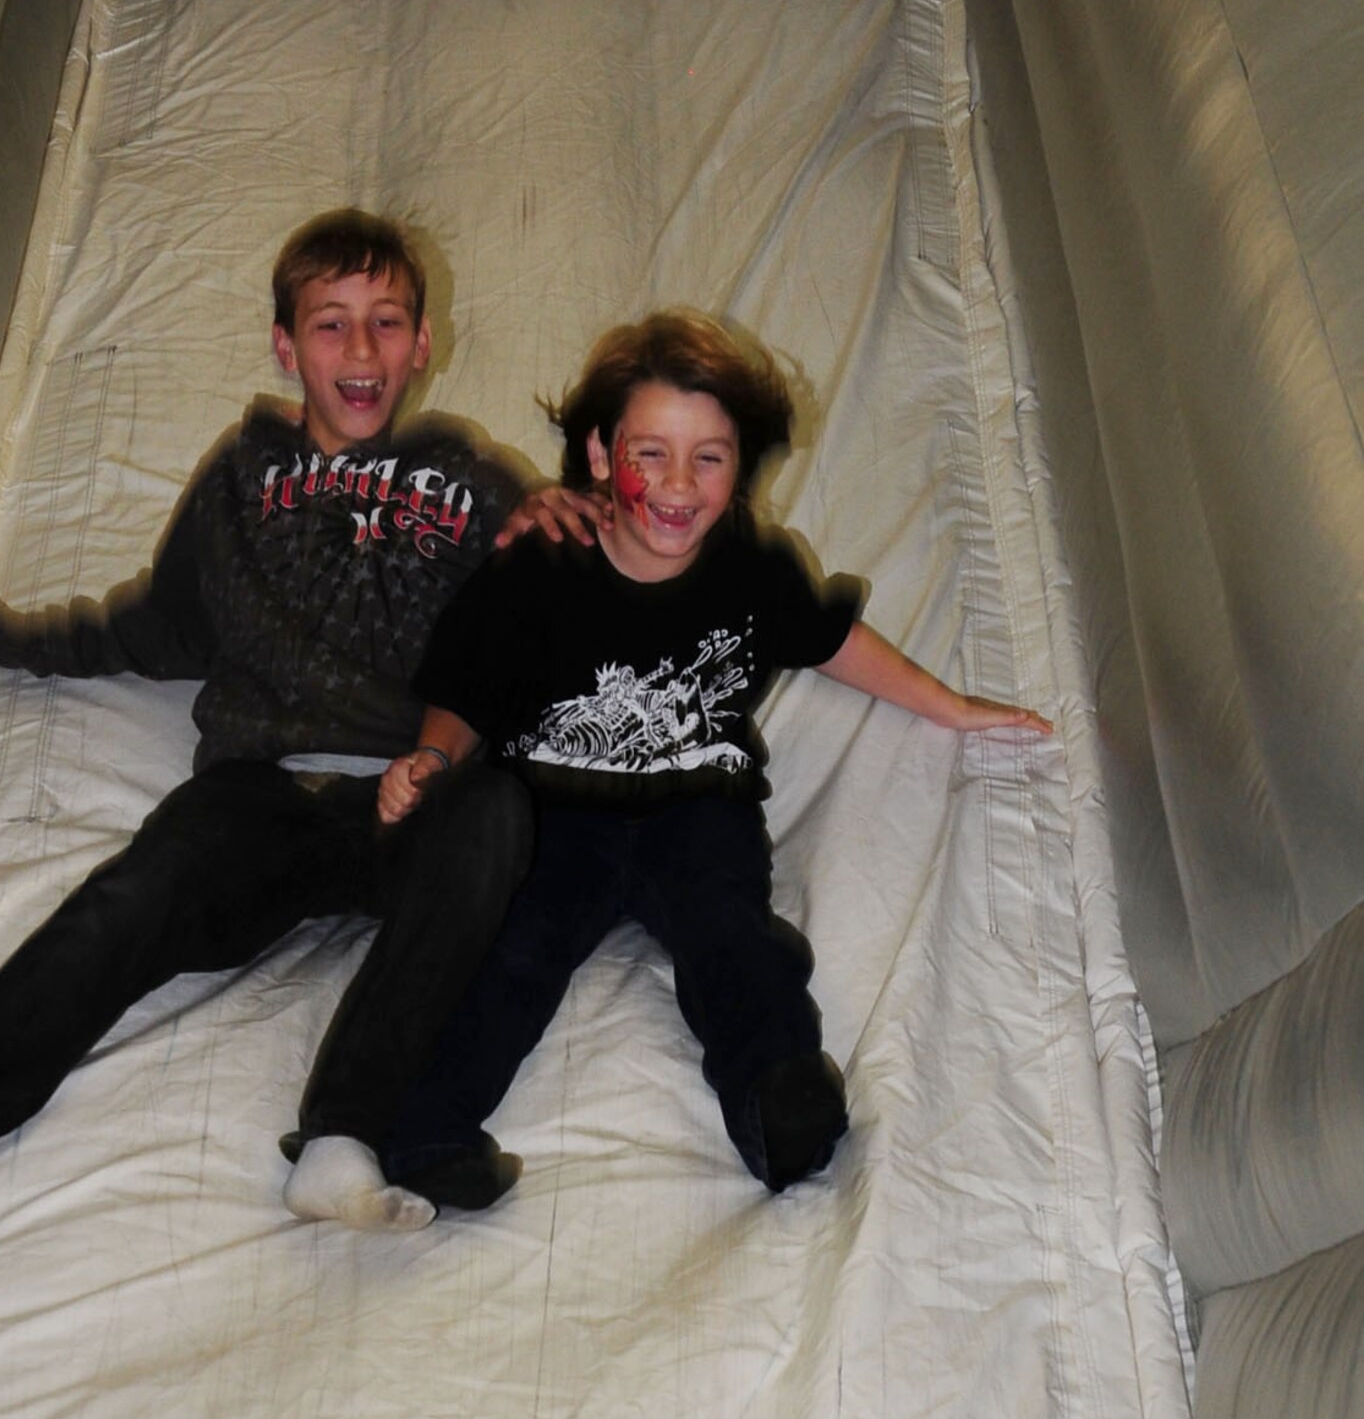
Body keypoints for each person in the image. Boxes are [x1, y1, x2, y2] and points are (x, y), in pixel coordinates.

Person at [0, 209, 602, 1262]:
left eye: (385, 324)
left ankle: (341, 1141)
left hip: (418, 793)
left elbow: (552, 629)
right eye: (330, 326)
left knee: (499, 816)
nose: (361, 351)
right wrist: (9, 634)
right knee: (127, 899)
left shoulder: (470, 481)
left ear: (424, 342)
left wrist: (568, 528)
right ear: (286, 347)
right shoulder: (241, 480)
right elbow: (157, 626)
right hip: (262, 793)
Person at [372, 310, 1052, 1207]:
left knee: (735, 940)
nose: (678, 485)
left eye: (710, 458)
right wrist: (428, 756)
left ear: (740, 471)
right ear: (601, 451)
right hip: (552, 812)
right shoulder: (542, 562)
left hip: (698, 809)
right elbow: (466, 684)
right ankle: (428, 1127)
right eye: (651, 453)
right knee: (513, 951)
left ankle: (779, 1096)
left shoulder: (751, 566)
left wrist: (952, 706)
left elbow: (829, 639)